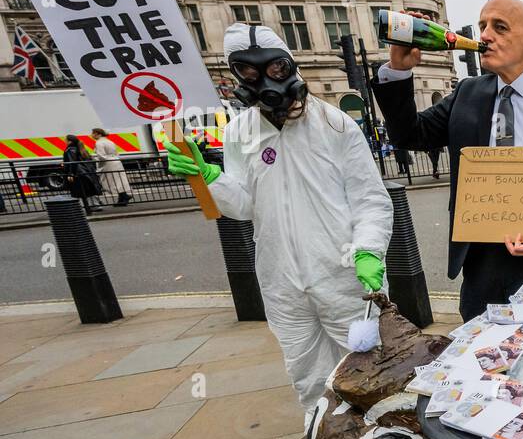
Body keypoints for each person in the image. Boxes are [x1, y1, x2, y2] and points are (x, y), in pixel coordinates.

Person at [163, 24, 393, 413]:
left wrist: (368, 250)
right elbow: (245, 206)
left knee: (370, 373)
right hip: (282, 282)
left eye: (275, 68)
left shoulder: (336, 126)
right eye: (249, 73)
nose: (265, 81)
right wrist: (210, 178)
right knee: (308, 379)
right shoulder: (239, 132)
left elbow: (370, 199)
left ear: (290, 65)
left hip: (344, 277)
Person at [373, 0, 523, 321]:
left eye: (499, 27)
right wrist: (399, 70)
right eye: (483, 25)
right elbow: (410, 135)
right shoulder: (467, 93)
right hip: (481, 269)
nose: (484, 35)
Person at [90, 127, 132, 206]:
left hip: (108, 163)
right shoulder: (109, 141)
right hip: (116, 161)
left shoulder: (99, 143)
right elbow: (116, 153)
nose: (91, 135)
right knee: (119, 180)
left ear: (98, 134)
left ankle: (123, 197)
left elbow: (101, 156)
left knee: (111, 181)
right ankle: (123, 198)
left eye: (93, 133)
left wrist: (93, 157)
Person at [61, 135, 101, 214]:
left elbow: (72, 163)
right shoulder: (81, 148)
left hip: (78, 173)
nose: (64, 141)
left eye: (65, 140)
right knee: (88, 190)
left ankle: (85, 208)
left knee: (80, 191)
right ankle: (95, 205)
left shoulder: (70, 150)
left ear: (70, 141)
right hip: (86, 172)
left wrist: (70, 174)